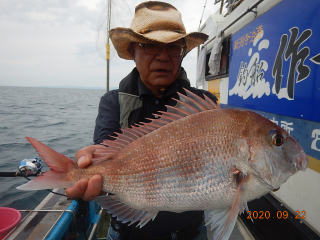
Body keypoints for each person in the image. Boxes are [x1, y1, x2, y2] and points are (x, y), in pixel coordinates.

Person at [66, 1, 217, 240]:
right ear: (133, 52)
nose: (164, 56)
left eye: (174, 47)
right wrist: (90, 164)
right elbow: (107, 155)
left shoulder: (204, 105)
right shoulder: (114, 102)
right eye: (150, 46)